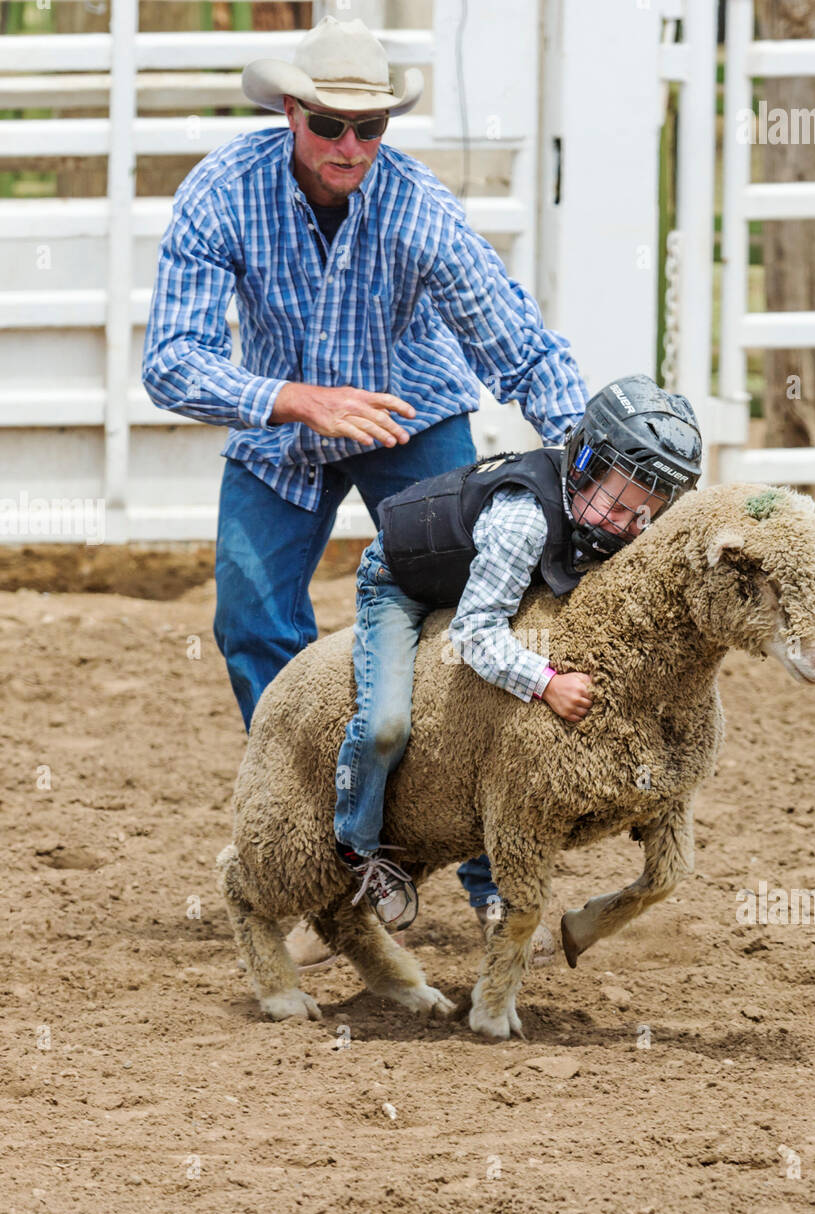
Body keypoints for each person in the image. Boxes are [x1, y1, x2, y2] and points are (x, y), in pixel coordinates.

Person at [140, 16, 588, 964]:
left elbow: (517, 344)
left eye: (370, 128)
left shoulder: (418, 210)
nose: (351, 146)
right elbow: (170, 362)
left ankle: (492, 877)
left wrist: (594, 464)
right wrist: (295, 400)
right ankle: (325, 863)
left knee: (475, 619)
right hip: (282, 426)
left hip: (407, 413)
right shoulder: (223, 191)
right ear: (290, 113)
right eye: (331, 125)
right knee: (251, 621)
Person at [327, 376, 704, 961]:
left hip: (486, 581)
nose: (628, 526)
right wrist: (546, 682)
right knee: (385, 726)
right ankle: (359, 849)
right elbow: (475, 632)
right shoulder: (523, 520)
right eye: (619, 502)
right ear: (583, 463)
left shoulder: (603, 521)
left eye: (647, 513)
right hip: (404, 586)